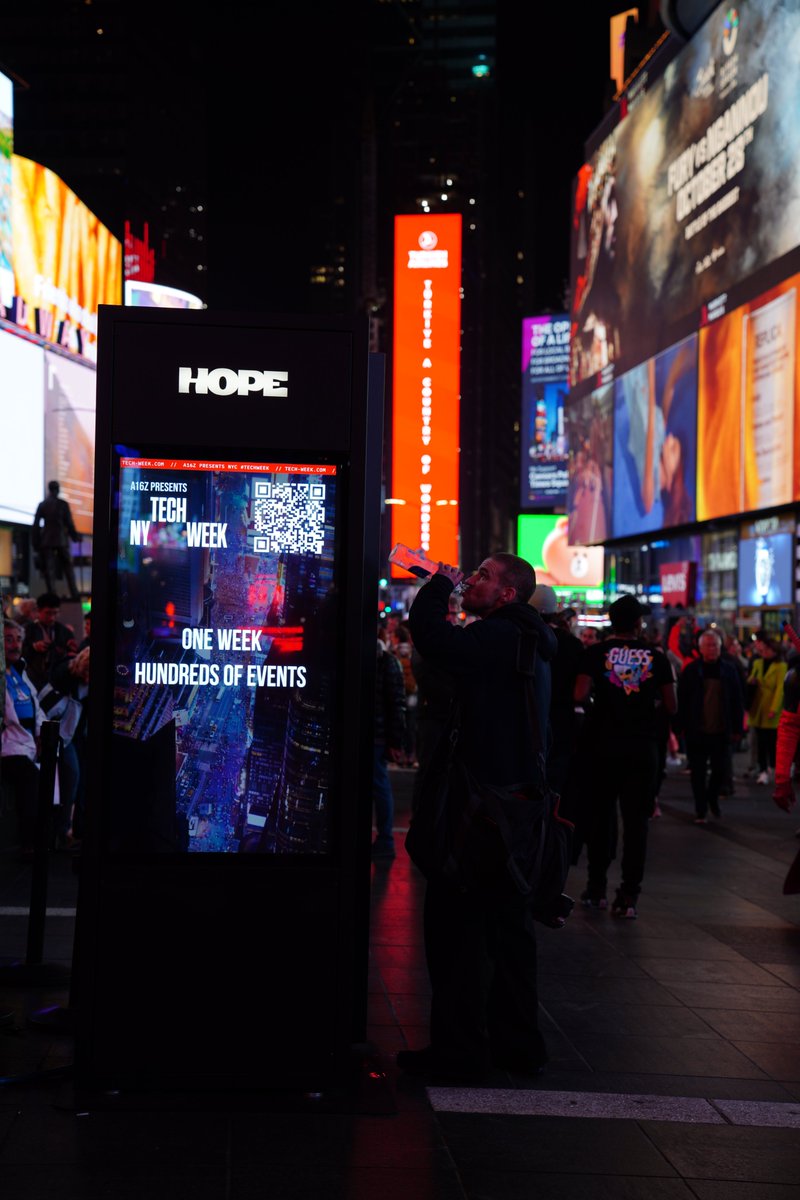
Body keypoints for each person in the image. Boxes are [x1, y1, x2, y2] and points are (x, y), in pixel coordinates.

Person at [398, 552, 557, 1083]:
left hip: (481, 811)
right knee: (509, 933)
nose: (474, 579)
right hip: (516, 808)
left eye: (485, 577)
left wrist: (438, 586)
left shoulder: (498, 636)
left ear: (508, 594)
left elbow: (435, 641)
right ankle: (518, 1046)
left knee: (456, 932)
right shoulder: (531, 638)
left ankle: (459, 1051)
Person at [574, 594, 676, 918]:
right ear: (637, 623)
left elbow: (579, 694)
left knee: (600, 817)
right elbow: (671, 705)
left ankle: (596, 888)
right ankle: (629, 895)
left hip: (602, 745)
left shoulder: (594, 653)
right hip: (641, 748)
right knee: (637, 823)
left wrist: (601, 705)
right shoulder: (657, 657)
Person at [675, 629, 745, 824]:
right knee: (697, 773)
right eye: (709, 645)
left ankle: (712, 798)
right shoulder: (691, 671)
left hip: (722, 730)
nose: (712, 649)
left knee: (720, 770)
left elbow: (737, 700)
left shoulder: (728, 670)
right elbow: (682, 699)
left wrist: (738, 728)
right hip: (697, 730)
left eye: (715, 645)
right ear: (701, 648)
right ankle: (701, 808)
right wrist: (679, 725)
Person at [2, 618, 44, 857]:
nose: (15, 645)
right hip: (8, 747)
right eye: (8, 639)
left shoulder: (19, 671)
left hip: (26, 742)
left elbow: (34, 704)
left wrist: (40, 734)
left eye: (18, 639)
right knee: (31, 778)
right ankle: (29, 844)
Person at [372, 634, 406, 859]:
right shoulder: (388, 662)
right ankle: (385, 839)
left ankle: (385, 839)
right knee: (379, 785)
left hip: (377, 736)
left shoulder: (387, 663)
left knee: (380, 785)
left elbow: (396, 704)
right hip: (379, 734)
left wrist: (395, 741)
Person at [746, 631, 787, 786]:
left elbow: (780, 689)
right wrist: (752, 681)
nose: (764, 652)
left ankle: (774, 768)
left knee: (772, 741)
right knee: (760, 741)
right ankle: (763, 770)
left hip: (770, 707)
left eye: (767, 650)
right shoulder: (757, 663)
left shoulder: (781, 666)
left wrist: (774, 709)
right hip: (757, 706)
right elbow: (750, 680)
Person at [31, 480, 81, 601]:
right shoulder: (62, 504)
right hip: (61, 540)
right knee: (68, 567)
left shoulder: (42, 504)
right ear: (57, 490)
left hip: (47, 540)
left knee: (49, 569)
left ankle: (52, 595)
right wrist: (75, 536)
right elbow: (69, 523)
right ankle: (74, 594)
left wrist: (36, 542)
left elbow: (36, 525)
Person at [20, 592, 78, 693]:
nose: (52, 617)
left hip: (58, 683)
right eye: (48, 613)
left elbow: (72, 657)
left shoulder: (65, 632)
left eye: (55, 613)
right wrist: (34, 648)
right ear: (39, 611)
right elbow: (18, 654)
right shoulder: (27, 630)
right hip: (32, 681)